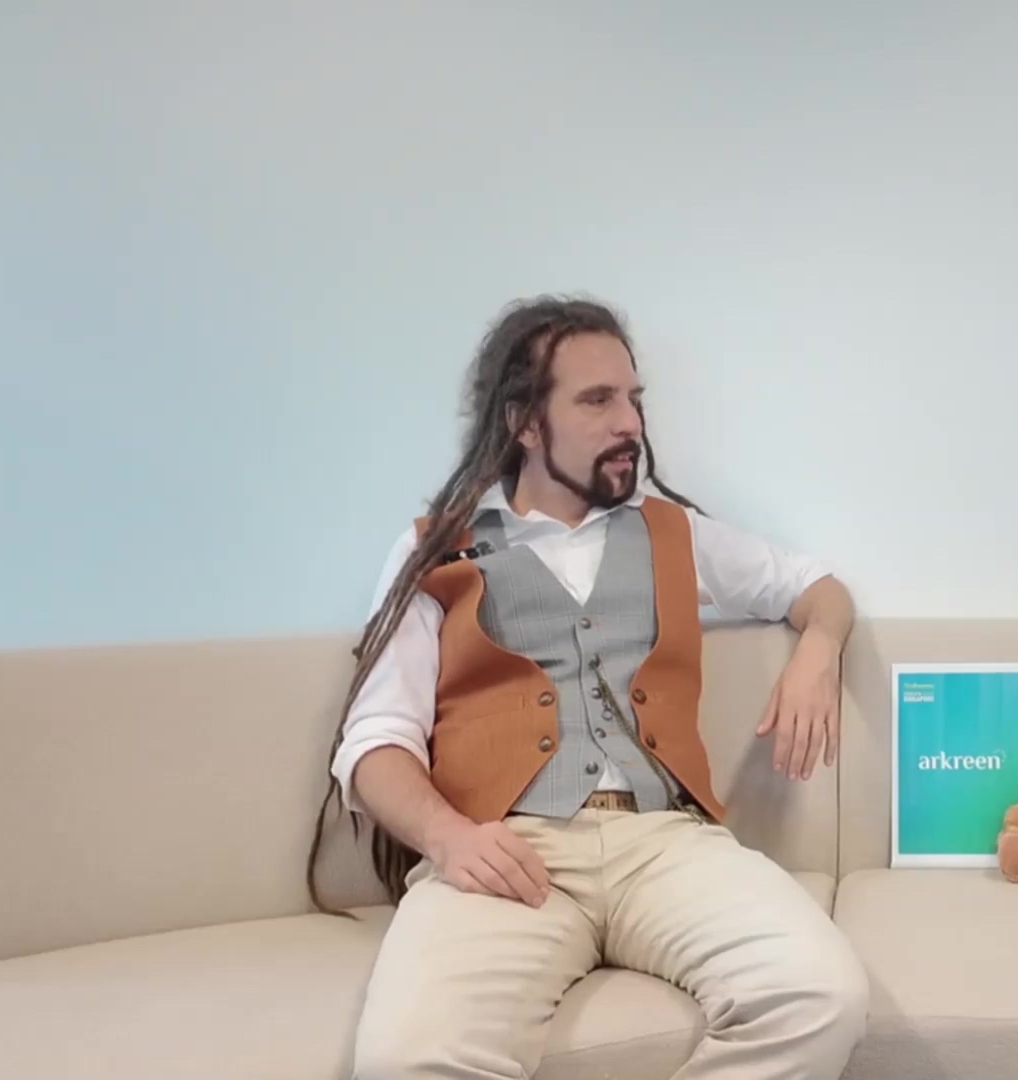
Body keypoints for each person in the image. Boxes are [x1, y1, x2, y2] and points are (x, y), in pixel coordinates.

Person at [306, 295, 870, 1079]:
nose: (629, 423)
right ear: (524, 423)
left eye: (634, 399)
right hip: (506, 847)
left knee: (821, 995)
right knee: (408, 1060)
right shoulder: (435, 550)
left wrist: (819, 648)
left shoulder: (672, 530)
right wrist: (448, 838)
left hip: (663, 842)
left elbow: (815, 586)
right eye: (597, 400)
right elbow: (375, 741)